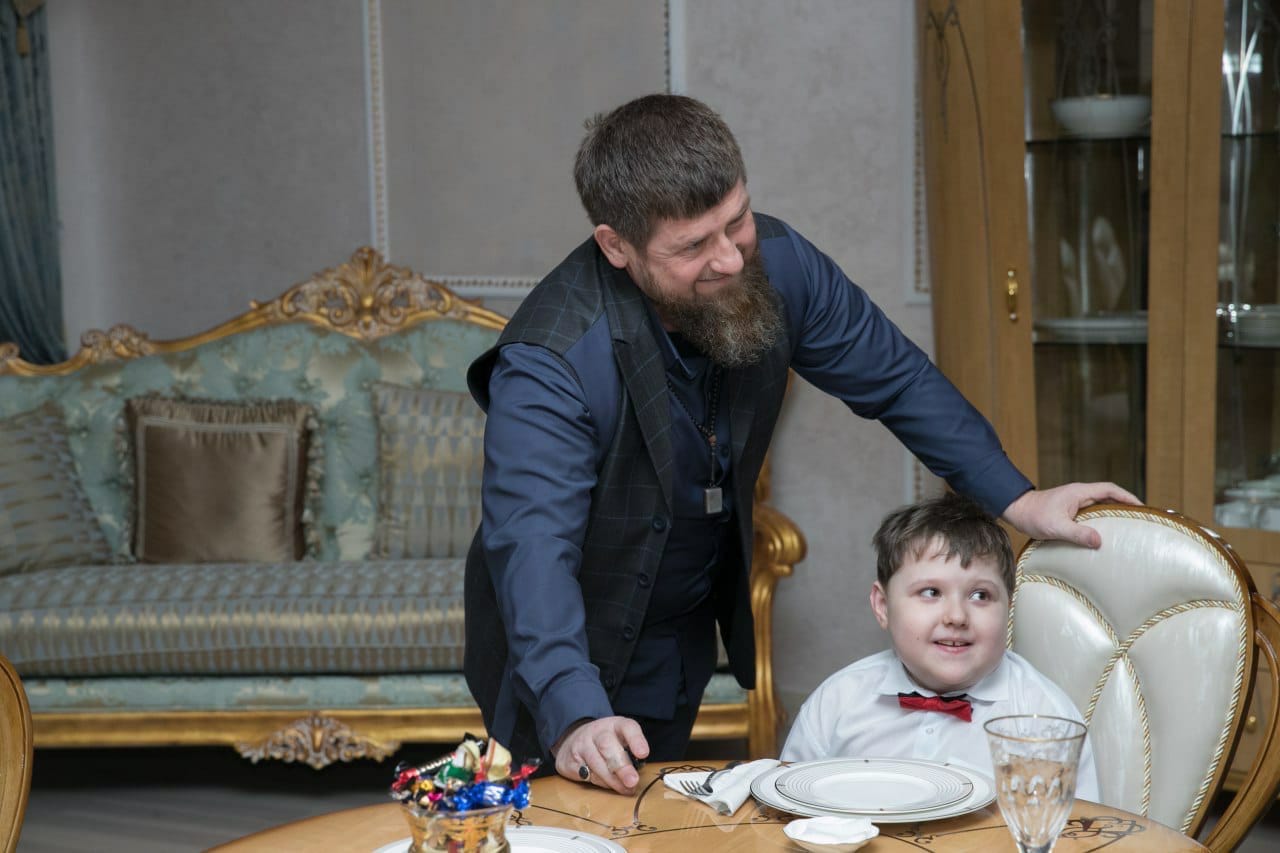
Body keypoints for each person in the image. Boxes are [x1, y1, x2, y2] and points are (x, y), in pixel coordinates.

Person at [464, 93, 1135, 795]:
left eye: (737, 220)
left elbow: (899, 381)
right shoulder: (550, 361)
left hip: (676, 635)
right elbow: (534, 548)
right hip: (555, 649)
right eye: (692, 246)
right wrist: (574, 712)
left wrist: (1019, 499)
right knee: (555, 827)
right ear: (616, 246)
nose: (729, 258)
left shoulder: (781, 266)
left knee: (649, 823)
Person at [780, 493, 1100, 801]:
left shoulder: (1046, 720)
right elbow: (786, 810)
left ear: (1009, 607)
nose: (956, 616)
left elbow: (1075, 828)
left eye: (980, 595)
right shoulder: (836, 703)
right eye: (931, 592)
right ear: (883, 606)